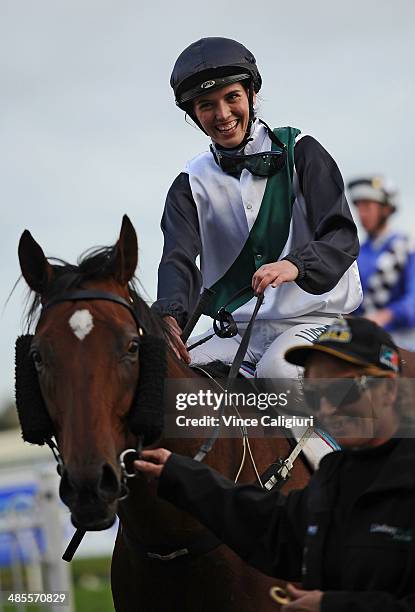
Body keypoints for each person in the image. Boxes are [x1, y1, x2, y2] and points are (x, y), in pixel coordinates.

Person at [135, 317, 415, 611]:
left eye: (341, 389)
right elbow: (276, 529)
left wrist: (330, 606)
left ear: (389, 390)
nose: (326, 408)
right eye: (314, 393)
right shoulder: (336, 474)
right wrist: (181, 475)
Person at [151, 36, 362, 382]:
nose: (222, 115)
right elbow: (178, 259)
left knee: (278, 370)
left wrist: (296, 264)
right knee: (174, 380)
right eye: (206, 105)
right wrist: (170, 316)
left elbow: (341, 236)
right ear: (194, 114)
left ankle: (323, 439)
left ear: (250, 94)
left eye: (231, 97)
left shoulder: (302, 151)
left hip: (315, 322)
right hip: (235, 330)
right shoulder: (188, 185)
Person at [348, 175, 415, 349]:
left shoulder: (407, 248)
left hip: (405, 339)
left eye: (368, 207)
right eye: (359, 207)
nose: (361, 214)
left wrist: (384, 316)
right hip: (365, 336)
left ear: (386, 209)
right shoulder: (357, 252)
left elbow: (412, 301)